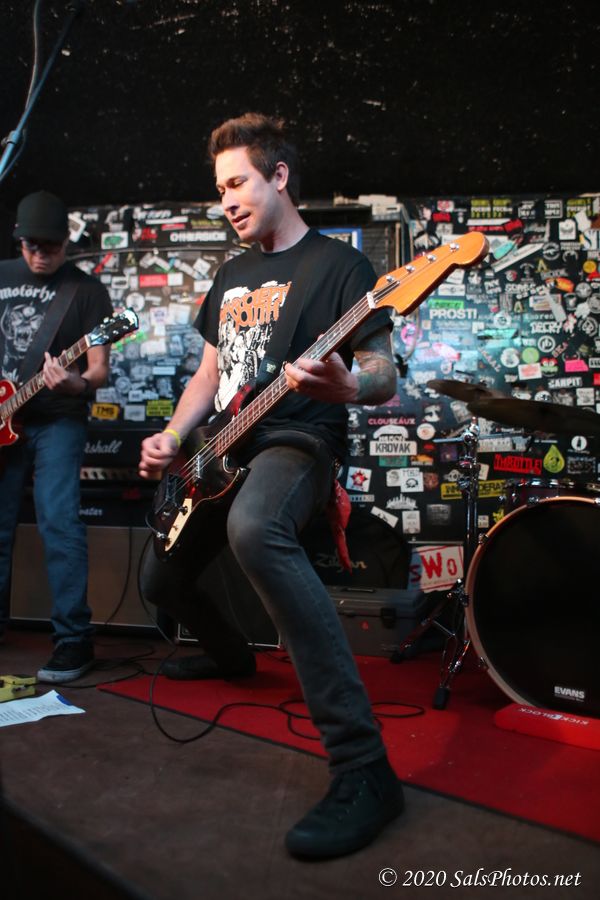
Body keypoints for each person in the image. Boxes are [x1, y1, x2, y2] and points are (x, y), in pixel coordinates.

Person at [139, 113, 404, 860]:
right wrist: (173, 436)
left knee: (254, 529)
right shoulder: (230, 275)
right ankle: (232, 656)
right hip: (223, 446)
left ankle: (364, 765)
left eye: (238, 183)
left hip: (298, 439)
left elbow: (382, 372)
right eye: (219, 188)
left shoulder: (341, 268)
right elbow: (209, 375)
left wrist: (348, 386)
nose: (226, 200)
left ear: (279, 176)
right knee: (161, 580)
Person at [0, 191, 113, 681]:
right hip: (3, 420)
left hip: (58, 419)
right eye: (32, 246)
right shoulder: (2, 276)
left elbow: (100, 369)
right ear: (19, 241)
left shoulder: (86, 292)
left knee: (59, 523)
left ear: (67, 241)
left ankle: (73, 640)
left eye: (50, 246)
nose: (40, 255)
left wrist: (76, 383)